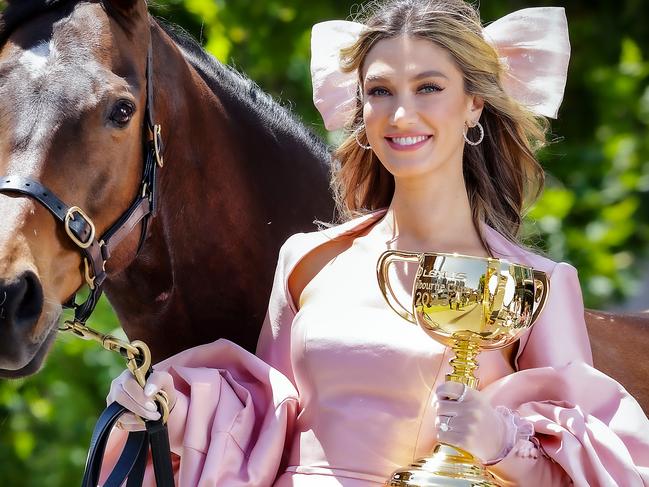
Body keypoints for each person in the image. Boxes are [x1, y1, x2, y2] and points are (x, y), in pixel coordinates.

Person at [105, 1, 649, 485]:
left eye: (428, 88)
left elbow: (588, 466)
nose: (400, 115)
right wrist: (172, 409)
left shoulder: (539, 287)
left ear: (474, 105)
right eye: (379, 92)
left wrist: (501, 443)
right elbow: (269, 419)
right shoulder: (306, 259)